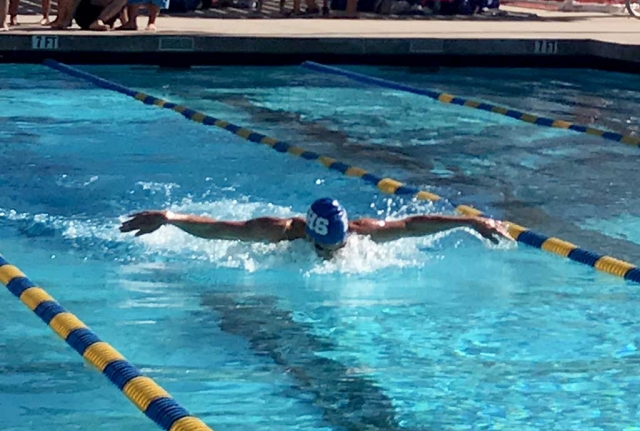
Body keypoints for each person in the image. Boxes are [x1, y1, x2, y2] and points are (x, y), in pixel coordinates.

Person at [120, 197, 513, 259]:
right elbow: (221, 229)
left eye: (337, 246)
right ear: (309, 234)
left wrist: (469, 220)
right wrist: (172, 218)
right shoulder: (276, 231)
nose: (335, 254)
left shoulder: (361, 234)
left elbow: (411, 225)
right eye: (326, 247)